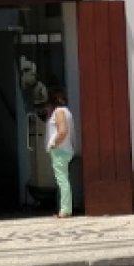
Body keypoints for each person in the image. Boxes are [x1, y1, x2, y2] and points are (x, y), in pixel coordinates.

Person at [45, 88, 76, 217]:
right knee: (64, 179)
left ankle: (65, 210)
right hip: (66, 149)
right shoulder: (67, 112)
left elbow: (62, 131)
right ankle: (66, 208)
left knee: (62, 180)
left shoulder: (58, 112)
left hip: (60, 150)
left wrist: (53, 144)